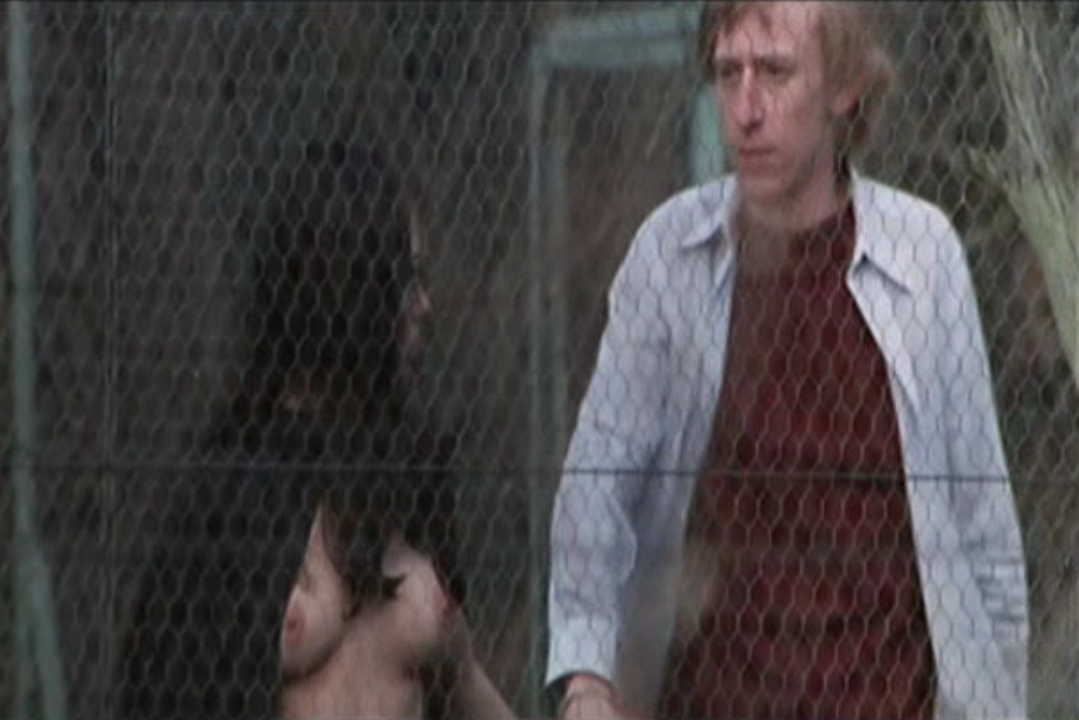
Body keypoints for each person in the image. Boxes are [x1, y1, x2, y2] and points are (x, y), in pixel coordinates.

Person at [545, 3, 1029, 719]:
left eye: (774, 73)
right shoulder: (669, 256)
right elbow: (596, 483)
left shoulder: (924, 255)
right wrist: (587, 681)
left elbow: (985, 529)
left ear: (844, 87)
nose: (744, 111)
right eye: (727, 74)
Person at [119, 138, 515, 720]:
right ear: (352, 284)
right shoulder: (233, 497)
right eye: (405, 278)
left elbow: (461, 678)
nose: (425, 305)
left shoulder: (409, 477)